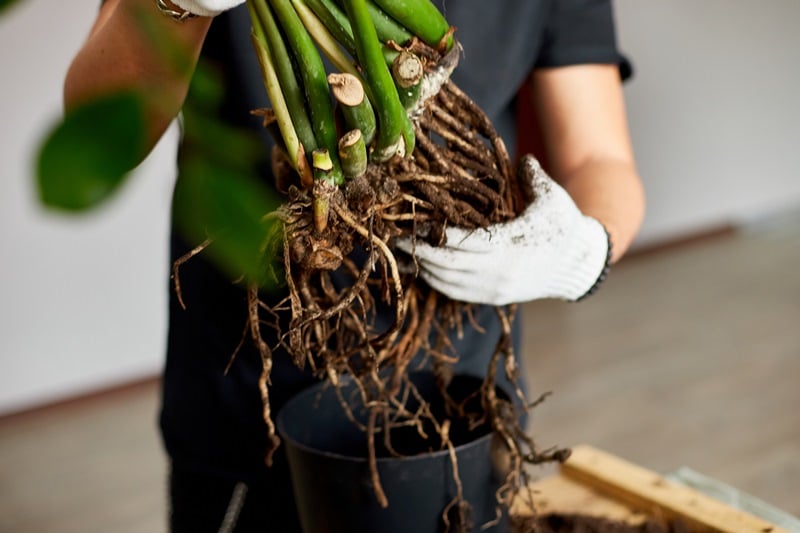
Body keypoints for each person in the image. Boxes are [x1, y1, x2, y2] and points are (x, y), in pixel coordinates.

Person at [64, 0, 645, 530]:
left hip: (454, 393)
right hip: (249, 398)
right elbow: (97, 133)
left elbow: (600, 156)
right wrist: (176, 6)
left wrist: (586, 250)